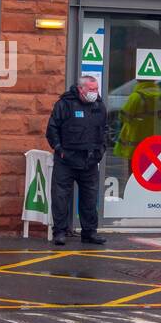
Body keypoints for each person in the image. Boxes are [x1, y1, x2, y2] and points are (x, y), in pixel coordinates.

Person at [45, 74, 108, 246]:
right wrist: (59, 149)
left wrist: (101, 150)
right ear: (81, 89)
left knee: (90, 198)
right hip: (67, 160)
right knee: (60, 197)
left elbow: (105, 130)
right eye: (91, 89)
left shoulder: (99, 106)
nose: (95, 92)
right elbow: (52, 130)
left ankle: (89, 233)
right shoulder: (64, 104)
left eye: (96, 89)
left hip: (90, 160)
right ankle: (60, 232)